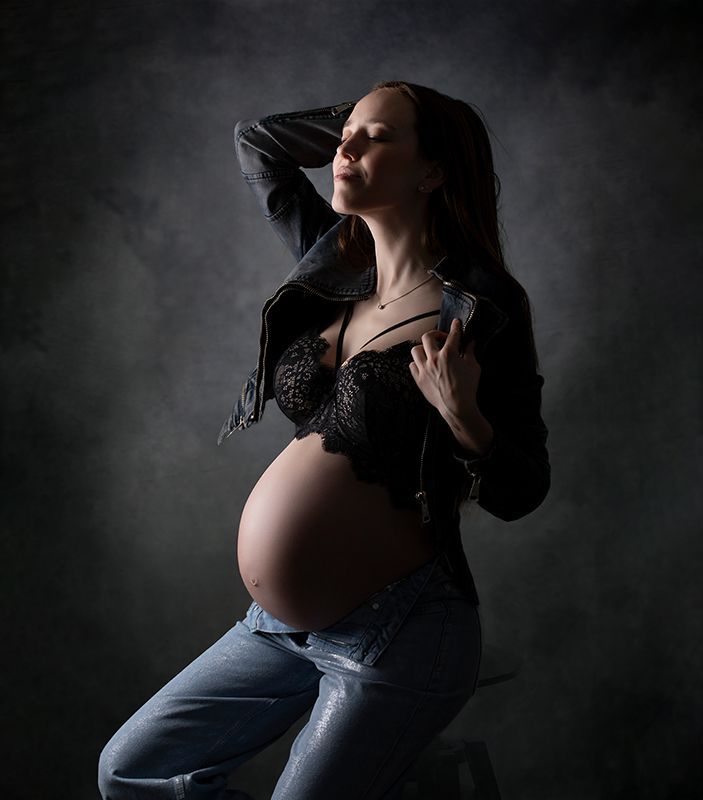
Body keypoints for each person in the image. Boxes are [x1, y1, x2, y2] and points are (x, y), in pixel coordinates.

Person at [98, 80, 550, 800]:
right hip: (274, 628)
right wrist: (366, 115)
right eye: (347, 132)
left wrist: (465, 417)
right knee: (133, 770)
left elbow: (523, 490)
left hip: (398, 629)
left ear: (432, 171)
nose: (347, 146)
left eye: (379, 138)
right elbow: (259, 143)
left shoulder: (481, 305)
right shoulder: (330, 263)